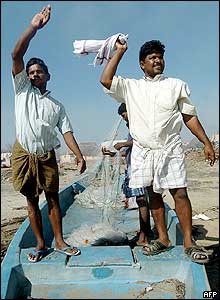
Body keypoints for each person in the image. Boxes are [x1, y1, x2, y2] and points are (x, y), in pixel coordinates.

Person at [99, 39, 216, 264]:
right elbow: (105, 80)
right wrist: (120, 51)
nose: (157, 60)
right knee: (153, 195)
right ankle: (163, 239)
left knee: (179, 193)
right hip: (144, 151)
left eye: (160, 57)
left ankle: (189, 242)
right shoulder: (131, 86)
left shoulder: (175, 85)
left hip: (170, 148)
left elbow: (189, 117)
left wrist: (206, 143)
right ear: (142, 64)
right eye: (152, 57)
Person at [11, 4, 86, 262]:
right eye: (30, 72)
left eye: (38, 72)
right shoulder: (22, 90)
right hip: (24, 154)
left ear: (47, 76)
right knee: (32, 201)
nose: (33, 75)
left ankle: (60, 241)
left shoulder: (56, 105)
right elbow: (16, 53)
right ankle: (41, 244)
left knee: (53, 199)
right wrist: (33, 28)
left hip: (47, 156)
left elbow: (66, 132)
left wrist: (78, 155)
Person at [102, 103, 153, 246]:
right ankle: (145, 232)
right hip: (134, 167)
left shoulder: (139, 125)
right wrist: (114, 153)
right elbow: (130, 150)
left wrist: (123, 143)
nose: (124, 120)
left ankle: (144, 236)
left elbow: (140, 142)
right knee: (140, 200)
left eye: (124, 116)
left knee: (142, 200)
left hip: (140, 168)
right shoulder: (132, 127)